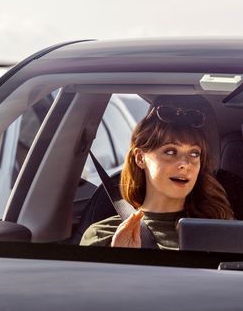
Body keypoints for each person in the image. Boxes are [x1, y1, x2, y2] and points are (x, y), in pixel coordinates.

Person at [80, 102, 233, 249]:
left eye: (194, 153)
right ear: (140, 158)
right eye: (171, 152)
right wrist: (121, 259)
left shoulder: (221, 234)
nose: (185, 164)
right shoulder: (103, 235)